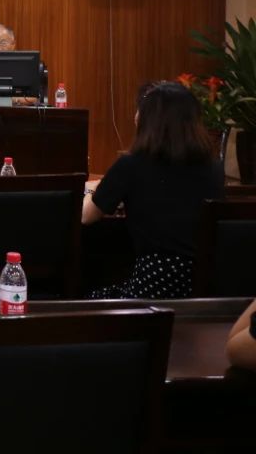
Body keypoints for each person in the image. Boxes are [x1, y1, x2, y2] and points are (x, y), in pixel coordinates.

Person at [82, 81, 223, 298]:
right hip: (204, 290)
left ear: (149, 120)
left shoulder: (130, 165)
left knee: (88, 296)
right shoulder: (214, 169)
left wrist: (92, 190)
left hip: (152, 290)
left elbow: (86, 216)